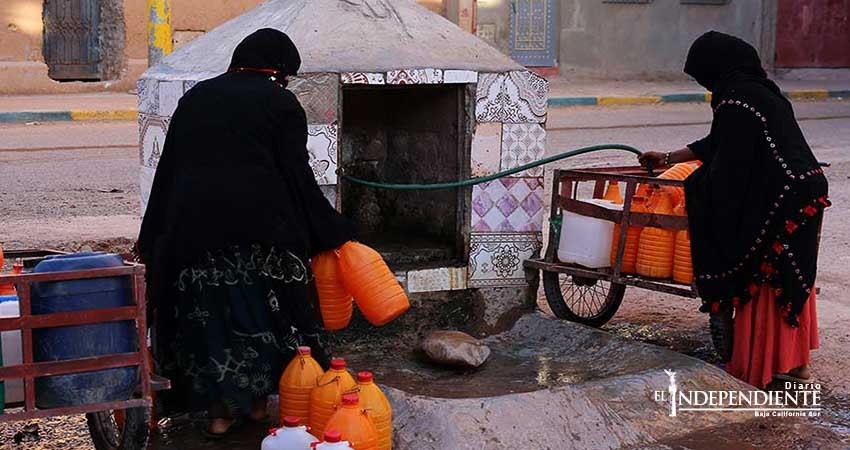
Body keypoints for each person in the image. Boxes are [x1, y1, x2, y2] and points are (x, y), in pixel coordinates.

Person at [137, 28, 356, 437]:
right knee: (265, 323)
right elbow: (296, 176)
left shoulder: (196, 97)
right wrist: (333, 228)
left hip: (193, 237)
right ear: (278, 69)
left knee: (209, 326)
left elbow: (169, 171)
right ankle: (257, 407)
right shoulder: (280, 103)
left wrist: (152, 238)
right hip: (262, 238)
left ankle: (218, 416)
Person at [639, 31, 829, 389]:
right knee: (790, 273)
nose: (706, 85)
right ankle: (797, 366)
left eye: (704, 76)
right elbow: (720, 142)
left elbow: (729, 170)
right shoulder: (762, 92)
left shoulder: (735, 101)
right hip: (804, 190)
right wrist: (669, 158)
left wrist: (695, 187)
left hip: (781, 196)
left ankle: (762, 366)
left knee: (762, 272)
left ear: (717, 69)